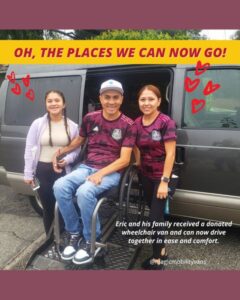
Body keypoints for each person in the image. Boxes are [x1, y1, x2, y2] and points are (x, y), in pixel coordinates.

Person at [52, 79, 136, 265]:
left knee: (84, 191)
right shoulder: (90, 118)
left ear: (121, 99)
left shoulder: (128, 125)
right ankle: (74, 233)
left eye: (115, 97)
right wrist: (60, 152)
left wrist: (101, 174)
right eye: (107, 97)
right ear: (101, 98)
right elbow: (79, 141)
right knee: (60, 185)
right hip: (87, 166)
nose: (111, 101)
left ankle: (91, 239)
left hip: (111, 172)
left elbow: (124, 160)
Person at [24, 90, 80, 235]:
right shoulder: (37, 124)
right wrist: (28, 173)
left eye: (57, 100)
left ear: (64, 104)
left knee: (63, 206)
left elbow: (76, 151)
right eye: (50, 101)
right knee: (48, 208)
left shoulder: (72, 126)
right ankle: (50, 238)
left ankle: (64, 237)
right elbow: (29, 148)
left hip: (62, 172)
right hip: (41, 171)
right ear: (46, 104)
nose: (54, 103)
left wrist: (67, 160)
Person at [134, 85, 177, 270]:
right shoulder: (136, 123)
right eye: (143, 99)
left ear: (159, 101)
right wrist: (137, 162)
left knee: (153, 219)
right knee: (157, 217)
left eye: (151, 99)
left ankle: (158, 259)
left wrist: (164, 182)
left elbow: (171, 154)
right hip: (146, 175)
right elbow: (135, 146)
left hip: (163, 177)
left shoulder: (166, 122)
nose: (146, 103)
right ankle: (163, 251)